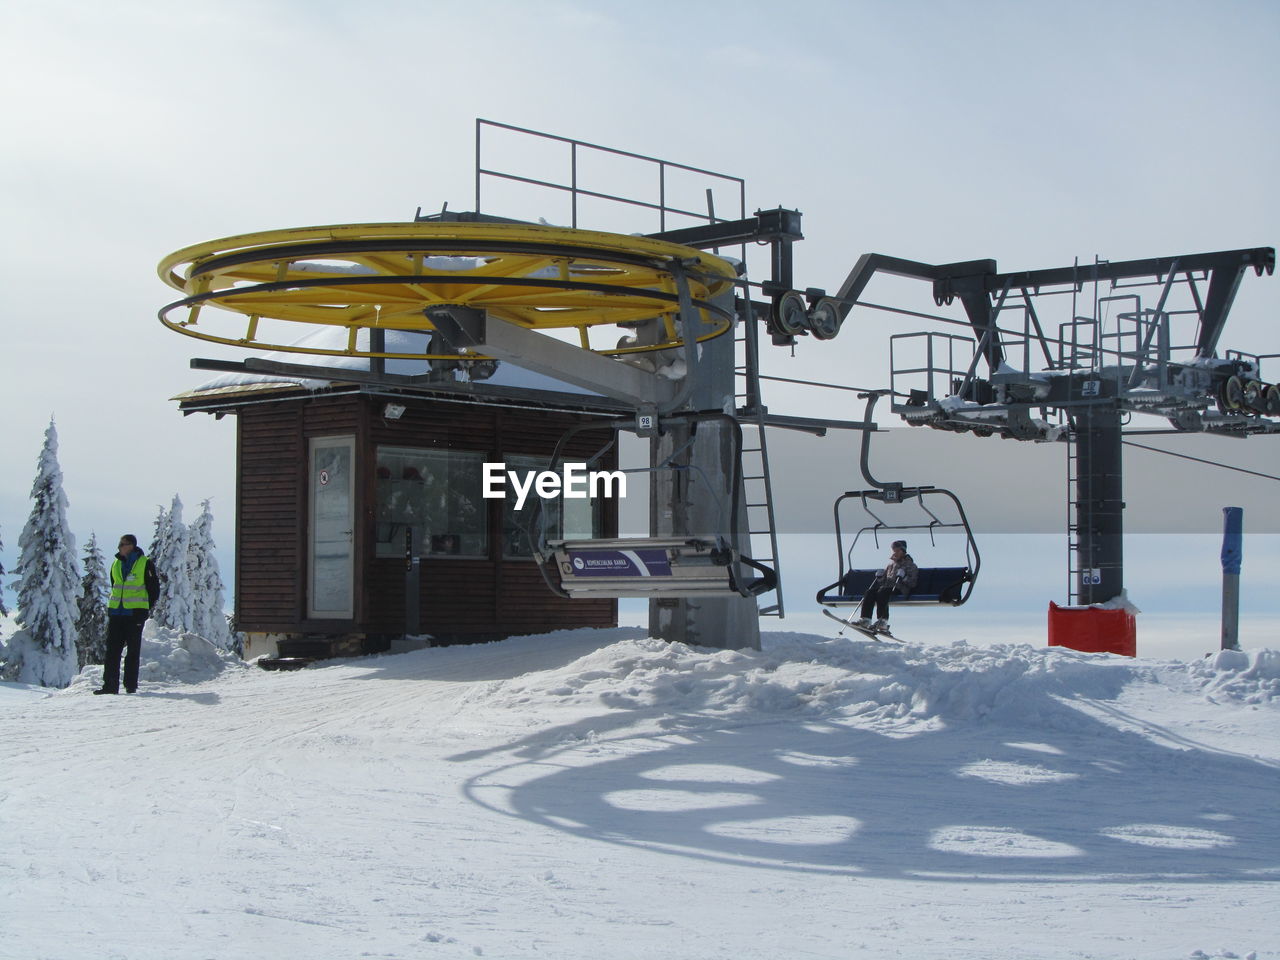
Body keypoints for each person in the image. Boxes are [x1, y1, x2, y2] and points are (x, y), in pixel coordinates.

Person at [94, 534, 160, 695]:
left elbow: (154, 589)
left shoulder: (145, 563)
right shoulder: (116, 563)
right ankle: (110, 686)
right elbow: (114, 585)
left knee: (132, 651)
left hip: (135, 614)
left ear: (131, 545)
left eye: (122, 544)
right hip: (117, 613)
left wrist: (144, 609)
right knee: (112, 651)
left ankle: (130, 685)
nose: (119, 547)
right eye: (119, 544)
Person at [854, 539, 918, 632]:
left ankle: (882, 620)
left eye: (897, 550)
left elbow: (913, 583)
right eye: (894, 550)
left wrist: (904, 577)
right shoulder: (891, 565)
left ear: (903, 551)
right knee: (870, 592)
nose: (895, 553)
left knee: (882, 592)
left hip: (901, 588)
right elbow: (884, 582)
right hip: (887, 588)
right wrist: (880, 577)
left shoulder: (910, 565)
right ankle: (865, 619)